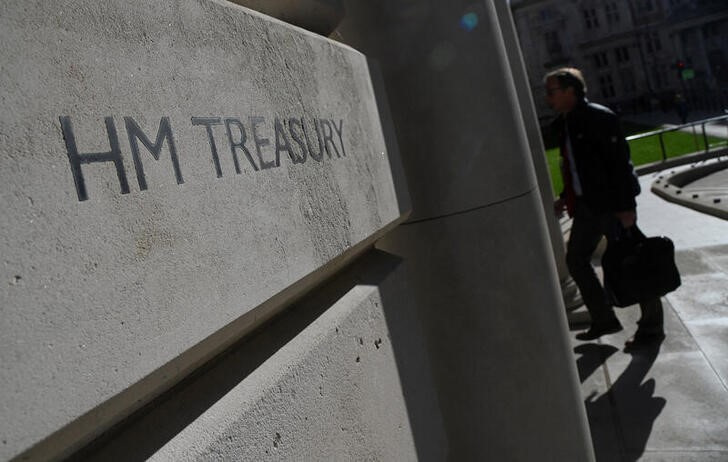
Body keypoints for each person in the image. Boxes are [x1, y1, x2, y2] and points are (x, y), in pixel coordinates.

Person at [545, 67, 664, 348]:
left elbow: (619, 166)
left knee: (633, 261)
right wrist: (566, 195)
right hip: (587, 207)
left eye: (551, 92)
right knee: (576, 260)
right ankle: (603, 319)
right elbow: (576, 167)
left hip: (611, 206)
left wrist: (625, 207)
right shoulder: (566, 123)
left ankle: (651, 327)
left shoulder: (599, 118)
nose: (547, 98)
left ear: (570, 91)